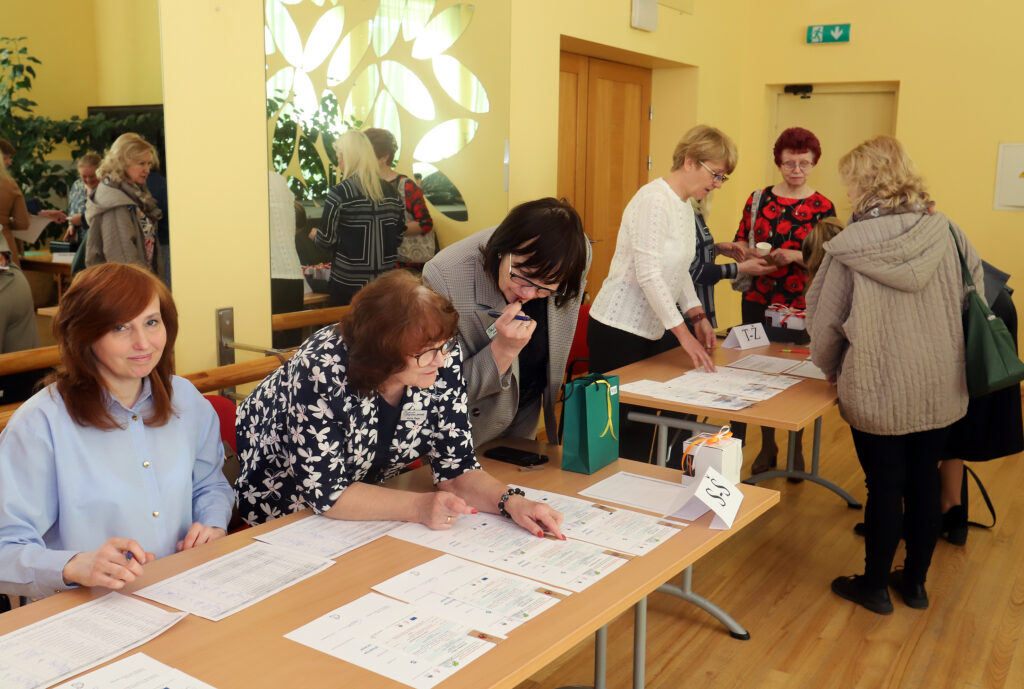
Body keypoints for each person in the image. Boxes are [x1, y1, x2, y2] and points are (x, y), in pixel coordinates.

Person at [234, 270, 565, 538]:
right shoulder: (321, 369)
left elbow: (457, 467)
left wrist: (511, 502)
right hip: (286, 513)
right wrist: (419, 507)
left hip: (366, 506)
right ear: (382, 355)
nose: (442, 360)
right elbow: (328, 494)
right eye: (428, 353)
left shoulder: (439, 356)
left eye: (445, 346)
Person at [806, 136, 983, 614]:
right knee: (924, 480)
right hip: (941, 383)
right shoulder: (949, 233)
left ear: (865, 183)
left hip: (875, 383)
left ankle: (874, 587)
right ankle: (916, 585)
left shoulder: (848, 246)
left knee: (883, 486)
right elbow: (974, 298)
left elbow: (826, 324)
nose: (846, 191)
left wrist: (829, 367)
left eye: (849, 181)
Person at [0, 263, 234, 600]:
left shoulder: (186, 399)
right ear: (85, 335)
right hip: (86, 606)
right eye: (120, 327)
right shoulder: (39, 424)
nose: (143, 343)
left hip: (184, 589)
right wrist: (73, 565)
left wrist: (212, 523)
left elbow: (210, 483)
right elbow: (6, 548)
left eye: (151, 322)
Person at [587, 124, 736, 461]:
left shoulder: (684, 204)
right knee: (619, 431)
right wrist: (683, 334)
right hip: (618, 329)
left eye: (722, 178)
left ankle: (649, 482)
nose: (717, 184)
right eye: (715, 174)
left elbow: (679, 269)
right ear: (690, 161)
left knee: (648, 425)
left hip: (652, 329)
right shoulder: (653, 200)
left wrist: (697, 315)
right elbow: (650, 274)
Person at [422, 198, 590, 444]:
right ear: (502, 250)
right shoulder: (445, 277)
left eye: (545, 288)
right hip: (466, 431)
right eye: (523, 276)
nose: (528, 294)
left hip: (527, 410)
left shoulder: (575, 252)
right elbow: (439, 388)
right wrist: (502, 350)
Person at [733, 127, 837, 476]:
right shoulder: (758, 199)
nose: (797, 170)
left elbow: (830, 258)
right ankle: (768, 444)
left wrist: (794, 256)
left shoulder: (823, 207)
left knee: (796, 376)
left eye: (804, 163)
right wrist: (751, 256)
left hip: (801, 301)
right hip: (758, 298)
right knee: (757, 371)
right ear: (778, 162)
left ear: (814, 163)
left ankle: (796, 442)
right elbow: (740, 241)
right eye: (789, 163)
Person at [315, 130, 405, 306]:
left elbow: (325, 240)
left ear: (349, 158)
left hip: (348, 286)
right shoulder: (392, 192)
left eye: (339, 157)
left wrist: (315, 235)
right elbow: (398, 237)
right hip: (385, 285)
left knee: (347, 325)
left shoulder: (339, 193)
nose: (338, 163)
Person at [85, 133, 164, 277]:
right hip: (129, 283)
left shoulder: (132, 193)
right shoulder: (115, 200)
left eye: (149, 164)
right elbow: (122, 259)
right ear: (122, 162)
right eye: (141, 163)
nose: (147, 170)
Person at [363, 128, 436, 268]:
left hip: (402, 264)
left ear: (384, 157)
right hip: (374, 260)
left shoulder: (405, 186)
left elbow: (425, 223)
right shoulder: (363, 185)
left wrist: (390, 229)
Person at [268, 170, 305, 348]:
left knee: (269, 346)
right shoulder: (279, 180)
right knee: (292, 345)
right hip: (293, 275)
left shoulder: (249, 180)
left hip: (269, 274)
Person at [63, 152, 102, 274]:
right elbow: (72, 209)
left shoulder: (107, 188)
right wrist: (72, 226)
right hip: (81, 245)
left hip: (99, 245)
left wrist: (82, 220)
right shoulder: (77, 185)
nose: (88, 180)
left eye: (92, 176)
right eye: (84, 176)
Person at [0, 154, 29, 267]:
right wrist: (6, 223)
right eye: (5, 158)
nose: (9, 162)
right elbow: (23, 223)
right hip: (4, 245)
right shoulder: (10, 184)